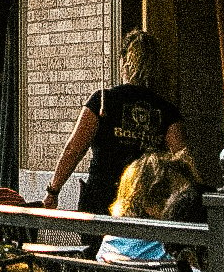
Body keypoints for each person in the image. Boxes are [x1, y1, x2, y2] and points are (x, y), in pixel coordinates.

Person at [42, 29, 188, 215]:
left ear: (124, 62)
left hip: (101, 199)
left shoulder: (103, 100)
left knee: (97, 245)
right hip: (145, 203)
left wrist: (53, 190)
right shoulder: (167, 110)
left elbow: (74, 149)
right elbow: (181, 159)